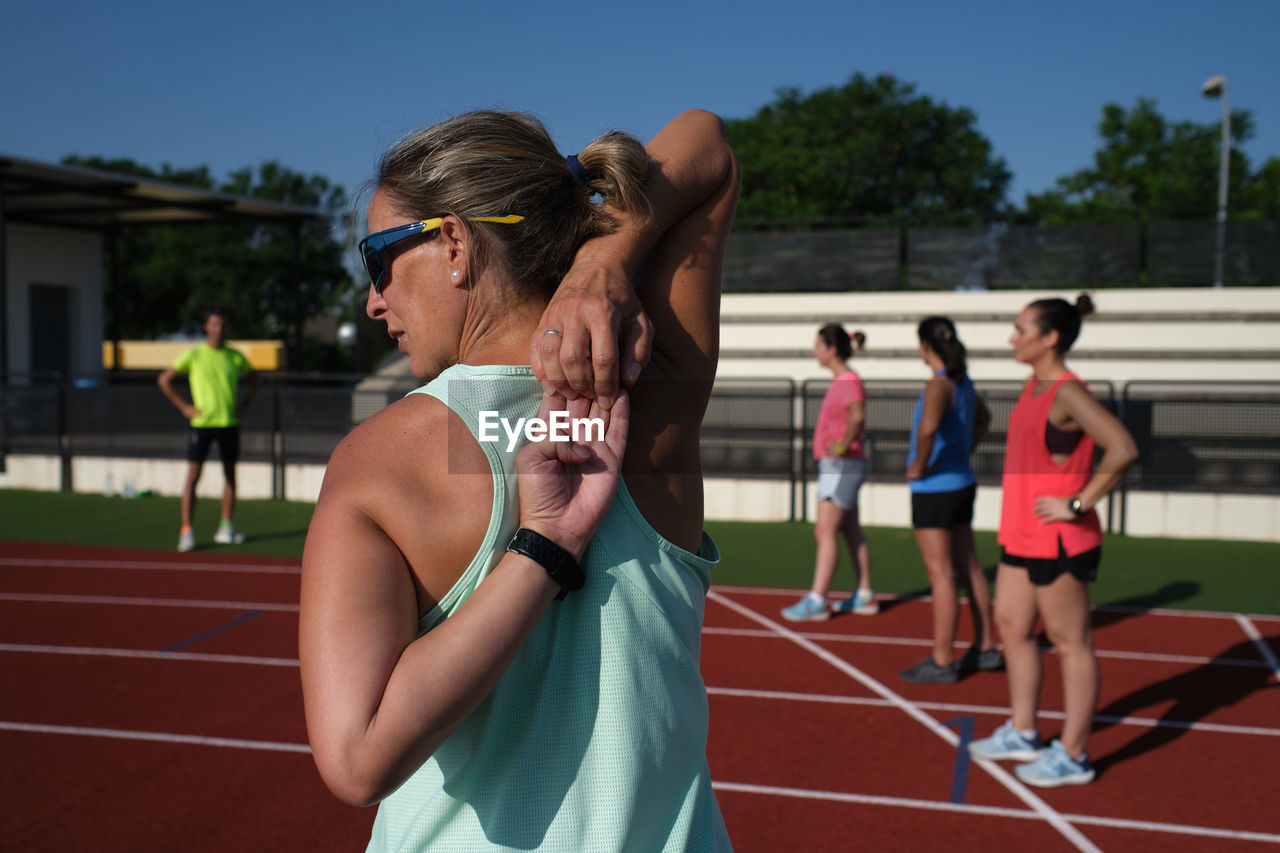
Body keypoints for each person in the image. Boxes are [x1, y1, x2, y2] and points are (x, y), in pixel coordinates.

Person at [299, 109, 739, 851]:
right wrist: (609, 260)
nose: (374, 298)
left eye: (377, 259)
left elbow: (355, 758)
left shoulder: (381, 457)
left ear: (454, 244)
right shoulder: (654, 387)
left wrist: (541, 548)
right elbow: (708, 144)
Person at [968, 294, 1138, 787]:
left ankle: (1075, 754)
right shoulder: (1034, 385)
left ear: (1050, 338)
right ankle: (1024, 732)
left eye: (1021, 329)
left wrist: (1079, 504)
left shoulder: (1067, 391)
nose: (1012, 337)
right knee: (1013, 627)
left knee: (1070, 643)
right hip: (1021, 535)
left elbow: (1122, 448)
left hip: (1059, 540)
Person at [899, 316, 1000, 684]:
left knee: (940, 574)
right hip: (961, 482)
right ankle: (986, 646)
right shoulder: (964, 383)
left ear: (926, 346)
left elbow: (927, 429)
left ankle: (942, 659)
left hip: (935, 489)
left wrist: (919, 464)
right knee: (969, 565)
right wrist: (964, 452)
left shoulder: (938, 385)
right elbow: (984, 419)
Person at [782, 324, 875, 621]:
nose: (815, 351)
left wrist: (843, 445)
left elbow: (857, 414)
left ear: (831, 349)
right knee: (849, 531)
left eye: (818, 345)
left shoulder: (847, 380)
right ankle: (864, 595)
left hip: (841, 466)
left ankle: (818, 599)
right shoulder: (844, 380)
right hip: (842, 465)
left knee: (825, 531)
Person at [157, 306, 259, 552]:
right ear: (206, 327)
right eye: (214, 324)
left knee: (230, 476)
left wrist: (245, 403)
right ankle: (187, 530)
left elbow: (256, 377)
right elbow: (164, 379)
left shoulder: (235, 356)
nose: (219, 329)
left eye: (223, 324)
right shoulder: (194, 354)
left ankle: (226, 527)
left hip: (229, 424)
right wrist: (184, 407)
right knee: (193, 476)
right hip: (202, 425)